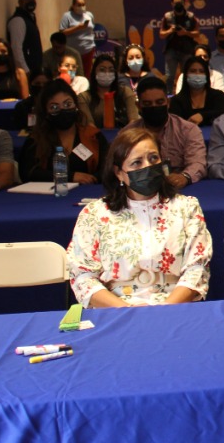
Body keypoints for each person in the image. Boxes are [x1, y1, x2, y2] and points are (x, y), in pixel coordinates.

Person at [67, 127, 211, 308]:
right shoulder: (94, 214)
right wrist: (126, 311)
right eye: (136, 163)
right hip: (115, 310)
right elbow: (83, 276)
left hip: (174, 307)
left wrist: (164, 310)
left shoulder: (187, 207)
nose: (147, 167)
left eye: (153, 158)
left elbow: (197, 270)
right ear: (119, 173)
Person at [17, 80, 108, 185]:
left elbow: (107, 169)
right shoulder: (36, 139)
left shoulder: (93, 136)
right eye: (54, 107)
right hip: (50, 193)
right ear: (45, 112)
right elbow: (28, 173)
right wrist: (70, 177)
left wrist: (91, 179)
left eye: (68, 104)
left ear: (76, 105)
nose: (63, 109)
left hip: (86, 191)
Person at [126, 76, 207, 189]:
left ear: (168, 103)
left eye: (159, 102)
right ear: (138, 106)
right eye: (148, 104)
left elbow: (198, 163)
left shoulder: (188, 130)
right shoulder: (128, 134)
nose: (154, 107)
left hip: (178, 189)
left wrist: (184, 176)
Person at [79, 53, 139, 130]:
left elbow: (134, 121)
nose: (107, 73)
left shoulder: (125, 92)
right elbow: (89, 125)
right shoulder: (84, 97)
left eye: (111, 70)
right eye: (102, 70)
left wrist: (122, 135)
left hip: (125, 134)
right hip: (95, 136)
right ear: (94, 72)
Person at [169, 55, 224, 127]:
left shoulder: (219, 96)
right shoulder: (176, 101)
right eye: (193, 71)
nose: (197, 74)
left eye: (201, 71)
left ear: (207, 75)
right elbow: (176, 124)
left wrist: (202, 116)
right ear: (186, 75)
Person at [159, 0, 202, 89]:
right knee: (169, 76)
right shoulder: (167, 17)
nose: (178, 4)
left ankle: (186, 93)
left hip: (187, 50)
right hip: (171, 49)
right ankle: (168, 94)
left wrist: (185, 33)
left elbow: (197, 33)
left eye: (180, 2)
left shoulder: (191, 16)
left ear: (184, 3)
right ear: (172, 4)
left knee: (187, 75)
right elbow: (161, 34)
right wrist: (170, 31)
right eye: (176, 3)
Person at [7, 0, 42, 75]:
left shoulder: (30, 18)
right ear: (19, 2)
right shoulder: (18, 21)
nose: (31, 2)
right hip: (27, 72)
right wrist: (25, 71)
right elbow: (16, 49)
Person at [59, 0, 96, 76]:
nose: (82, 7)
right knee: (72, 74)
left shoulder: (89, 15)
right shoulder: (67, 16)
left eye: (83, 4)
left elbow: (92, 29)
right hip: (73, 52)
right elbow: (62, 32)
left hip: (88, 50)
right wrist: (78, 27)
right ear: (73, 5)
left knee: (86, 75)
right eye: (79, 5)